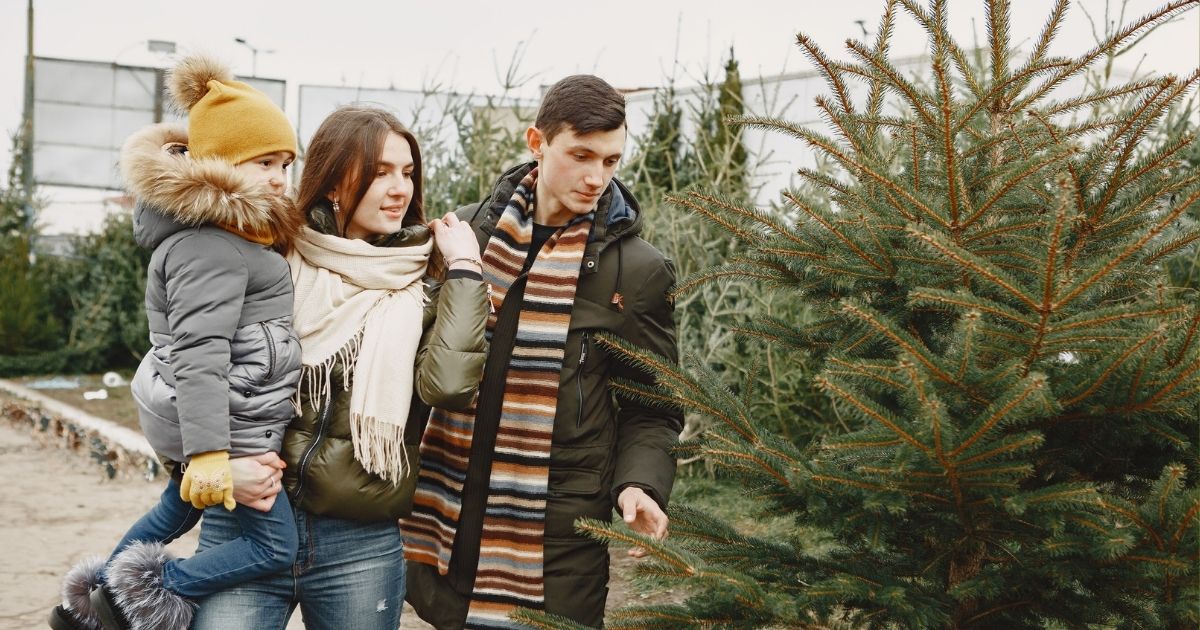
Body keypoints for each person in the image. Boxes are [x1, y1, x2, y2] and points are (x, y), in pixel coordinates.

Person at [188, 105, 489, 630]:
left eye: (407, 172)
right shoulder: (270, 258)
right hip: (246, 522)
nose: (400, 189)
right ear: (331, 183)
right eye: (379, 173)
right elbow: (186, 369)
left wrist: (465, 268)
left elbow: (448, 385)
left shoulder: (424, 279)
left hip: (360, 541)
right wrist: (211, 469)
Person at [403, 74, 683, 629]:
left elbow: (654, 408)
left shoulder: (638, 271)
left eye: (610, 161)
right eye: (581, 155)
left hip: (556, 535)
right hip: (445, 514)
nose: (596, 176)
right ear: (537, 142)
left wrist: (640, 485)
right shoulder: (467, 237)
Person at [49, 55, 304, 630]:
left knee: (174, 507)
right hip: (227, 423)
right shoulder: (210, 246)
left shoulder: (231, 237)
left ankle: (85, 609)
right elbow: (199, 352)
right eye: (264, 162)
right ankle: (138, 596)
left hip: (219, 414)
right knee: (275, 546)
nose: (278, 178)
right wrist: (213, 454)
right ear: (221, 164)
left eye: (285, 163)